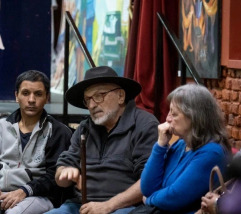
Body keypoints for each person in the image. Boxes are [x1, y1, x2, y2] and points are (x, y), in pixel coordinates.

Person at [46, 66, 159, 214]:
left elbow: (149, 180)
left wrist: (108, 206)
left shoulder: (145, 125)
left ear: (121, 96)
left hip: (126, 208)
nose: (92, 105)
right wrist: (64, 173)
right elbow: (62, 171)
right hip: (80, 206)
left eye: (99, 95)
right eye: (87, 100)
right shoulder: (84, 128)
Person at [0, 70, 72, 214]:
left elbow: (54, 176)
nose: (31, 99)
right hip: (0, 192)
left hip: (38, 196)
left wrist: (25, 191)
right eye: (25, 93)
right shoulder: (0, 126)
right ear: (16, 96)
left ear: (47, 97)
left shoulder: (58, 131)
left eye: (38, 94)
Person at [140, 84, 231, 213]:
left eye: (174, 114)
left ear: (194, 117)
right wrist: (160, 145)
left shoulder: (211, 152)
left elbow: (174, 197)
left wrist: (148, 200)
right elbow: (147, 187)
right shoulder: (181, 144)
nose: (168, 119)